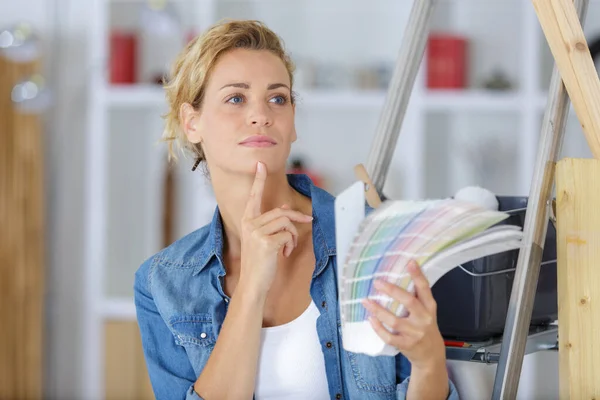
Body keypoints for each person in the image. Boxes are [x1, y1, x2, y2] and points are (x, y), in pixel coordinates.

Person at [134, 19, 460, 400]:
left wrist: (429, 361)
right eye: (236, 98)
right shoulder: (163, 283)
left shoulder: (377, 244)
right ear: (192, 123)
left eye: (277, 98)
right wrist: (253, 284)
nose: (261, 115)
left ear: (292, 125)